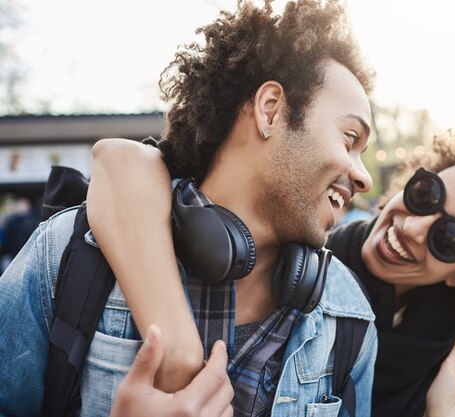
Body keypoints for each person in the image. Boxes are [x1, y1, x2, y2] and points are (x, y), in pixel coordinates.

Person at [0, 1, 380, 416]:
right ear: (271, 109)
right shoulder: (67, 253)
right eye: (348, 138)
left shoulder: (350, 321)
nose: (364, 179)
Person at [87, 120, 455, 416]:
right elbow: (122, 162)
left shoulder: (448, 364)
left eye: (451, 239)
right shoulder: (294, 253)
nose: (414, 228)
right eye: (425, 194)